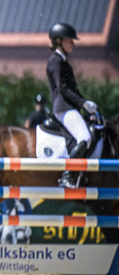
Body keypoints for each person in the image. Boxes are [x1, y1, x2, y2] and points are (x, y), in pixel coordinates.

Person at [46, 22, 98, 188]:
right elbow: (63, 88)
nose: (73, 44)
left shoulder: (64, 62)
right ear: (59, 41)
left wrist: (86, 104)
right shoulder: (55, 61)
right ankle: (67, 175)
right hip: (63, 108)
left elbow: (73, 89)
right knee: (85, 137)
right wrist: (83, 103)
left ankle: (79, 174)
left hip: (69, 107)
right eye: (70, 40)